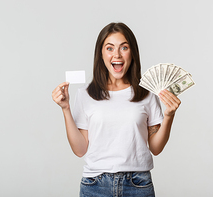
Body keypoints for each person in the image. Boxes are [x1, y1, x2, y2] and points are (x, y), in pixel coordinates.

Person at [52, 22, 181, 197]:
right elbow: (80, 149)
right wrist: (65, 109)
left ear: (132, 53)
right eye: (110, 48)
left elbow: (156, 148)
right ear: (101, 53)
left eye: (124, 47)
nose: (117, 55)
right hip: (95, 185)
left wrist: (169, 115)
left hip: (138, 184)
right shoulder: (85, 94)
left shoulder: (147, 94)